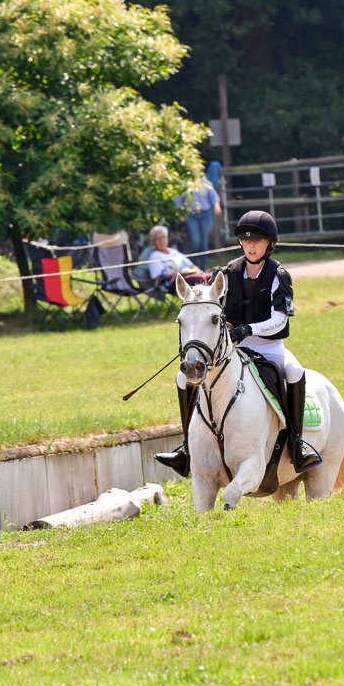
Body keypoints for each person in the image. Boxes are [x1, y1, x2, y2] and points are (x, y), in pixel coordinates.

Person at [154, 210, 321, 477]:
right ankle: (186, 449)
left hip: (269, 347)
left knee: (295, 372)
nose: (251, 246)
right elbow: (209, 306)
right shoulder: (226, 273)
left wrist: (248, 329)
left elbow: (279, 319)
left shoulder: (279, 274)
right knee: (182, 379)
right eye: (246, 241)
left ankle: (297, 442)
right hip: (233, 348)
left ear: (269, 244)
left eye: (258, 241)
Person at [132, 224, 208, 291]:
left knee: (211, 276)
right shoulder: (154, 256)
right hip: (173, 282)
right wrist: (179, 273)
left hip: (190, 275)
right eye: (157, 239)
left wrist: (198, 271)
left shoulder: (174, 252)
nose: (161, 241)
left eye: (163, 237)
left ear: (167, 238)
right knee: (199, 280)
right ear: (153, 241)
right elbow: (159, 278)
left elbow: (191, 265)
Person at [175, 177, 222, 271]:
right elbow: (177, 199)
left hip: (205, 214)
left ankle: (202, 267)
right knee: (195, 240)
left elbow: (214, 196)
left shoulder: (205, 181)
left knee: (204, 242)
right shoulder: (184, 182)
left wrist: (217, 206)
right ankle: (194, 265)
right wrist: (180, 213)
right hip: (191, 214)